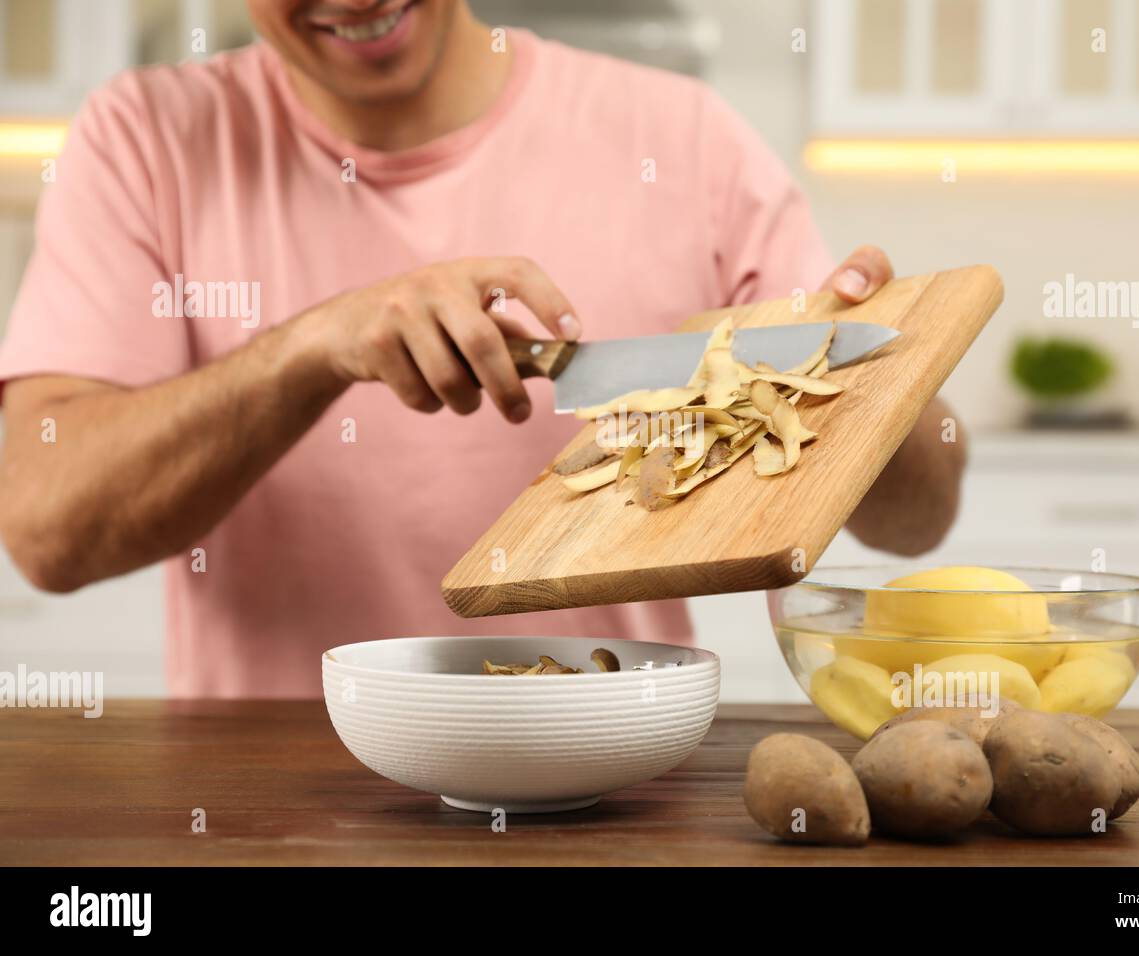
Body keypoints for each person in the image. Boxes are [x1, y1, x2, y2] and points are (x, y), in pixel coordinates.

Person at [0, 0, 965, 696]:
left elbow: (915, 520)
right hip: (267, 799)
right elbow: (47, 529)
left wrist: (883, 379)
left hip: (625, 782)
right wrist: (307, 351)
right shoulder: (143, 141)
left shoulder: (685, 135)